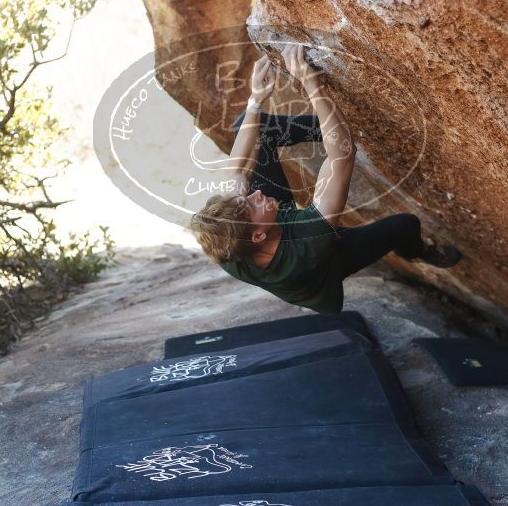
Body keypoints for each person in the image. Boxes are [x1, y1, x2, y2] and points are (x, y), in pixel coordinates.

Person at [189, 44, 461, 314]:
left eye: (246, 197)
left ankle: (327, 125)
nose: (254, 194)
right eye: (251, 204)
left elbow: (237, 170)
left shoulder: (227, 238)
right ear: (258, 233)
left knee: (248, 126)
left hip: (277, 227)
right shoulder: (309, 242)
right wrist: (311, 85)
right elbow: (342, 155)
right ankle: (415, 251)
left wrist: (255, 100)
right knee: (404, 225)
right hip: (327, 264)